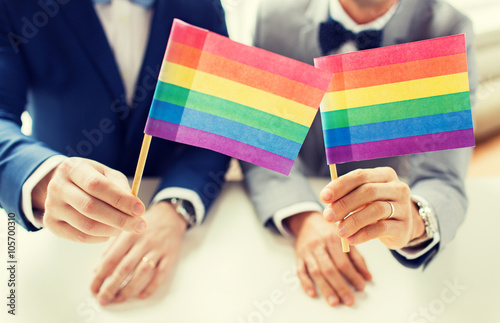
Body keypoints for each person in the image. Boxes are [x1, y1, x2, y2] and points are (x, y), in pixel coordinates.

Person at [241, 0, 478, 307]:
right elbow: (261, 140)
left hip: (383, 261)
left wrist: (415, 221)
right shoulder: (272, 18)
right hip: (283, 244)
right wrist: (303, 215)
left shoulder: (447, 28)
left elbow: (443, 176)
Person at [0, 0, 230, 305]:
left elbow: (216, 124)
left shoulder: (204, 7)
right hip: (55, 240)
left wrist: (175, 206)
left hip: (176, 232)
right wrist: (41, 176)